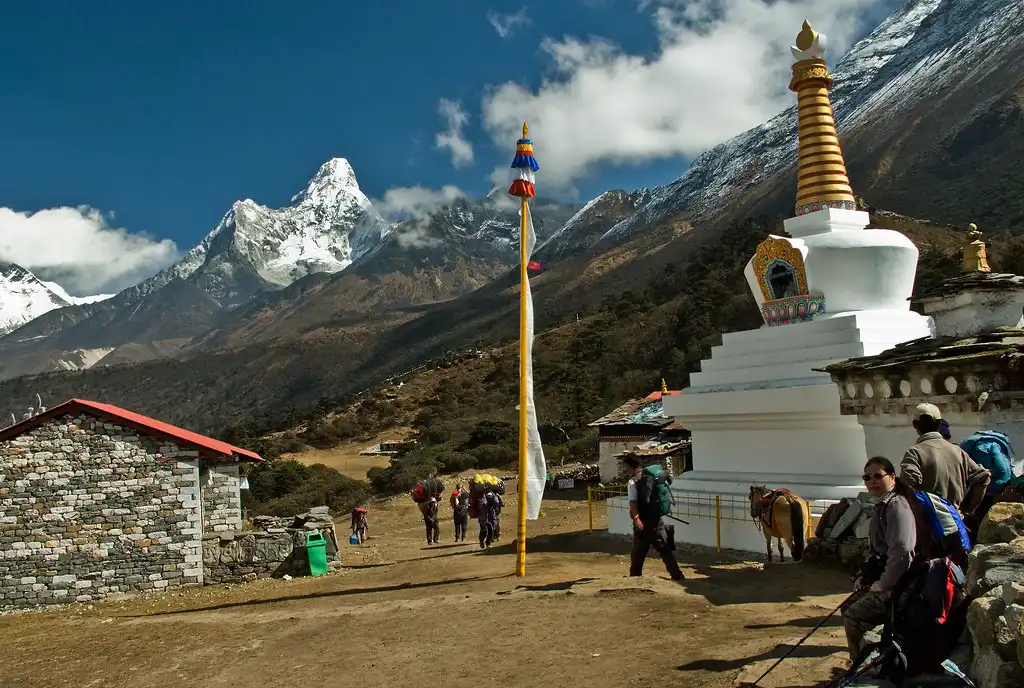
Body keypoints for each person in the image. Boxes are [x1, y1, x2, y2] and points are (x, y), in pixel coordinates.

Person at [842, 457, 918, 663]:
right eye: (867, 477)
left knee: (853, 615)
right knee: (849, 604)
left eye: (878, 476)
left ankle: (859, 668)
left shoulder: (896, 506)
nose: (872, 481)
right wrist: (863, 577)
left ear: (892, 478)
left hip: (901, 585)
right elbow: (877, 551)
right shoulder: (882, 505)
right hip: (885, 577)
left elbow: (902, 551)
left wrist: (883, 584)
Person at [900, 403, 990, 514]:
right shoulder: (958, 451)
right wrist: (967, 510)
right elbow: (983, 478)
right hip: (956, 521)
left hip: (930, 523)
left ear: (914, 425)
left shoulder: (914, 453)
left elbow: (908, 483)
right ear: (939, 424)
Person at [624, 455, 683, 581]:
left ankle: (634, 578)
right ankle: (678, 576)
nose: (625, 469)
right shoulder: (651, 478)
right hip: (656, 520)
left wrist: (636, 519)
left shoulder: (633, 482)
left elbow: (633, 503)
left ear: (630, 467)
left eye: (626, 466)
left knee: (638, 553)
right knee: (665, 550)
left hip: (643, 522)